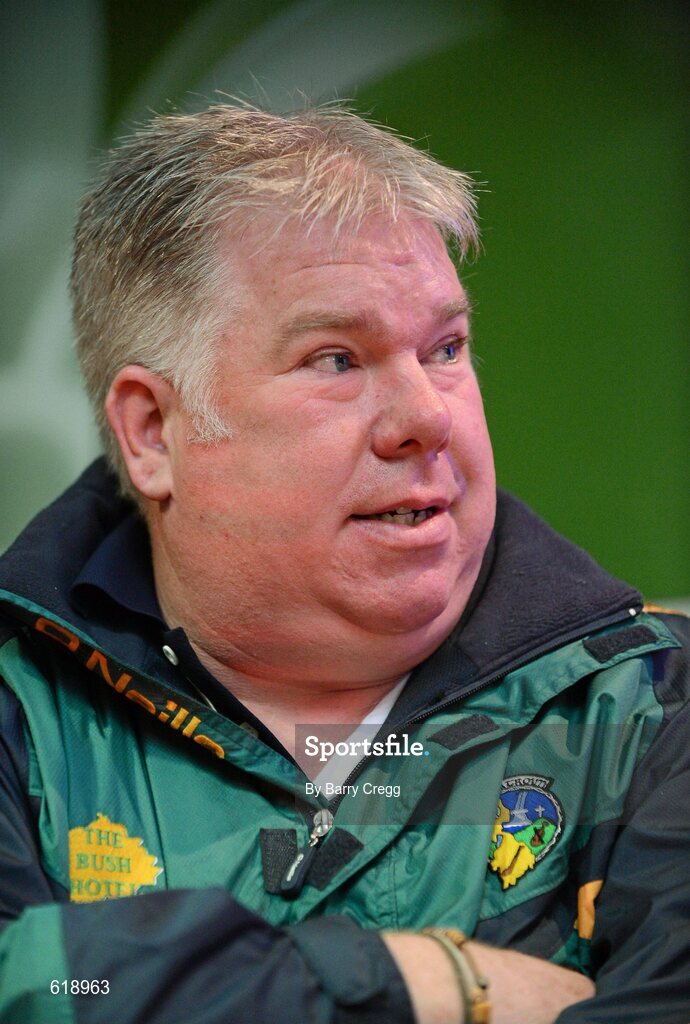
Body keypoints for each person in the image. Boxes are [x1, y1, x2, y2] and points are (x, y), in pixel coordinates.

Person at [0, 103, 687, 1024]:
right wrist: (428, 984)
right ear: (153, 432)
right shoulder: (19, 713)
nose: (429, 417)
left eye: (445, 348)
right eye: (337, 359)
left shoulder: (649, 711)